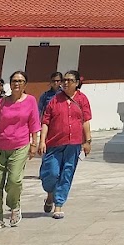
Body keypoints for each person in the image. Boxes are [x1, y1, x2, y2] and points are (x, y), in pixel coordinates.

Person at [0, 71, 39, 231]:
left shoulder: (30, 101)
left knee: (14, 181)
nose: (17, 83)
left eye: (20, 81)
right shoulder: (1, 103)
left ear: (25, 84)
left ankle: (14, 205)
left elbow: (34, 122)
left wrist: (35, 143)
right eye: (14, 80)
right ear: (10, 84)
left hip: (20, 146)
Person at [39, 70, 91, 220]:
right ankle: (50, 194)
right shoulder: (54, 100)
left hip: (73, 143)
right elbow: (46, 121)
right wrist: (42, 140)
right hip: (54, 143)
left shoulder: (82, 99)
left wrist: (87, 141)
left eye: (69, 80)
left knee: (67, 173)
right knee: (51, 173)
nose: (65, 83)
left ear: (76, 83)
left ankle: (58, 205)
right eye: (64, 80)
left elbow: (86, 120)